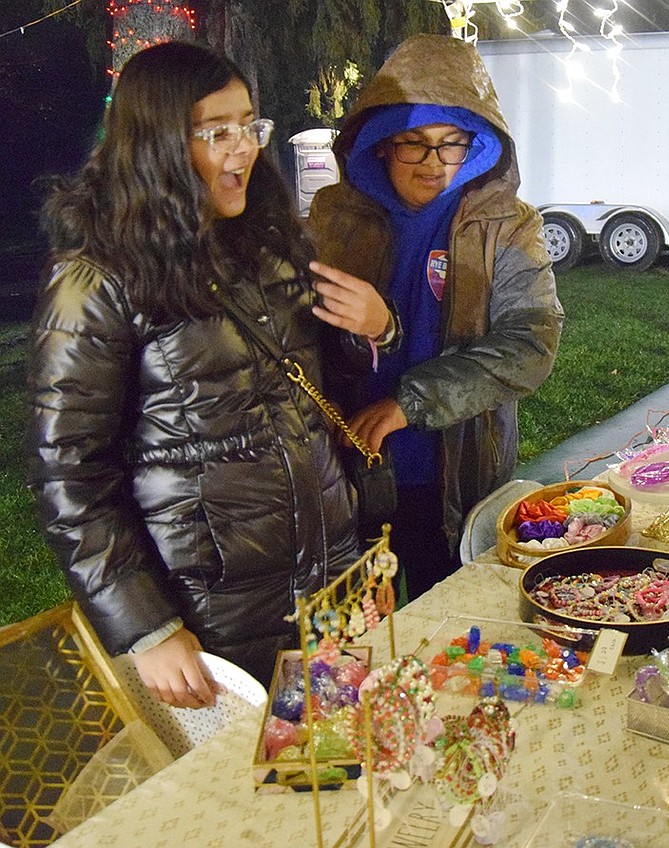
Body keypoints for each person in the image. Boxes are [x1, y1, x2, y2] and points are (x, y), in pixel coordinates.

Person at [27, 42, 362, 706]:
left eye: (248, 126)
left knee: (334, 780)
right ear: (156, 145)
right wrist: (148, 628)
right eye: (217, 133)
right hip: (213, 610)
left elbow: (315, 392)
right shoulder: (97, 280)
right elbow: (69, 472)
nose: (243, 149)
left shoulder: (268, 243)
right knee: (235, 798)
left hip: (330, 579)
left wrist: (375, 328)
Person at [308, 33, 563, 602]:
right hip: (347, 469)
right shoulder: (334, 220)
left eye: (451, 144)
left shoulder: (509, 228)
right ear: (380, 145)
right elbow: (300, 339)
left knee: (454, 624)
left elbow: (530, 346)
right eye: (413, 144)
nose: (433, 163)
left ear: (477, 146)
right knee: (355, 635)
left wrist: (409, 401)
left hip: (456, 471)